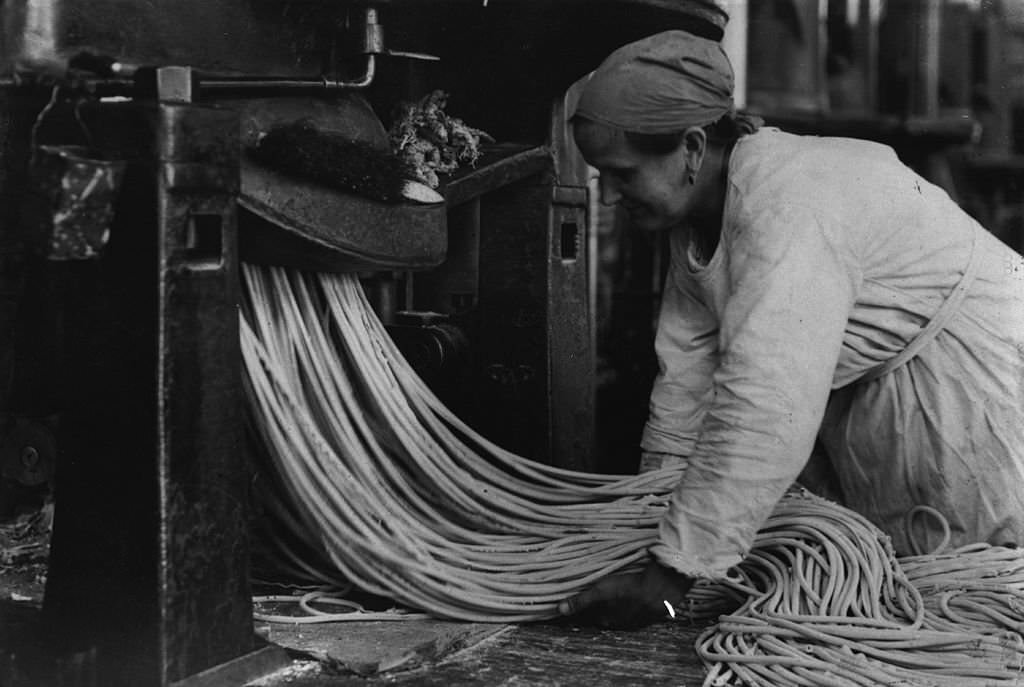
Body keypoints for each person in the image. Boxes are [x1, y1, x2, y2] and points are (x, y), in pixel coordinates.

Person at [557, 30, 1024, 629]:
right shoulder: (701, 223)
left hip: (974, 387)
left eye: (621, 174)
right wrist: (647, 538)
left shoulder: (788, 204)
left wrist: (670, 579)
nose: (610, 197)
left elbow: (764, 402)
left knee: (973, 604)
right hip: (888, 399)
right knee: (908, 594)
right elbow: (685, 392)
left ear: (693, 148)